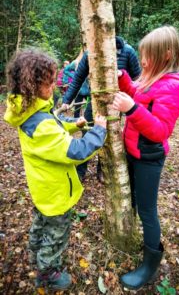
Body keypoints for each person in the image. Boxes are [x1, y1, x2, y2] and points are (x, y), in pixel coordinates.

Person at [4, 48, 107, 291]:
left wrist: (74, 123)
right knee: (57, 234)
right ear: (33, 85)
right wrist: (98, 131)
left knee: (41, 224)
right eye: (49, 83)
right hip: (56, 193)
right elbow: (77, 151)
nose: (54, 86)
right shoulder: (39, 123)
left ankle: (34, 254)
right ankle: (47, 272)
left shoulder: (28, 111)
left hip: (43, 191)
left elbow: (55, 125)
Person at [112, 26, 179, 290]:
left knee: (148, 211)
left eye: (148, 55)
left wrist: (131, 109)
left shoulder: (173, 86)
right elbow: (139, 95)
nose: (144, 60)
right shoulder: (154, 78)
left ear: (167, 54)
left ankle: (150, 263)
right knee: (136, 201)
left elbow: (160, 129)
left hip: (148, 157)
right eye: (143, 54)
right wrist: (122, 78)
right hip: (135, 151)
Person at [62, 36, 141, 181]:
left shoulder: (128, 52)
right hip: (94, 103)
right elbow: (78, 79)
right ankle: (80, 171)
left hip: (117, 104)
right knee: (86, 131)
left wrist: (135, 103)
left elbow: (137, 80)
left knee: (108, 136)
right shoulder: (90, 53)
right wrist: (66, 101)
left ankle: (102, 169)